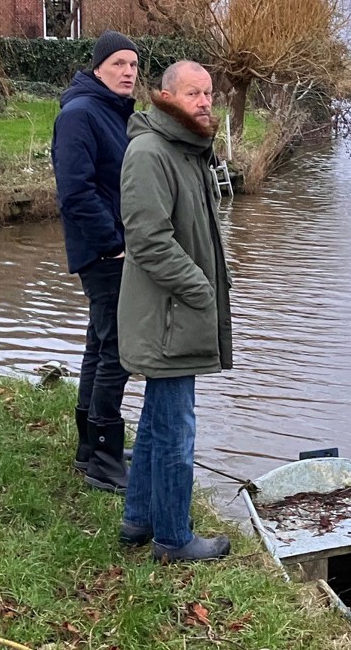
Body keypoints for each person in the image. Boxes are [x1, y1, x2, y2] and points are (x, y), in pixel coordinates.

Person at [116, 60, 233, 563]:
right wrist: (201, 289)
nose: (205, 102)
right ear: (166, 97)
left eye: (208, 94)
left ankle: (138, 520)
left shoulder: (188, 151)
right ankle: (173, 538)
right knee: (176, 429)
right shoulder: (150, 152)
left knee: (158, 420)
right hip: (168, 317)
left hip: (176, 314)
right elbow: (147, 240)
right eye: (193, 94)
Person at [51, 30, 139, 492]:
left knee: (98, 344)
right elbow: (75, 192)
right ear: (98, 68)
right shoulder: (80, 114)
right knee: (117, 351)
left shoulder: (111, 112)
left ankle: (92, 447)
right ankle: (104, 461)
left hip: (111, 248)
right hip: (105, 252)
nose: (128, 72)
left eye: (133, 65)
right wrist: (111, 243)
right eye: (119, 64)